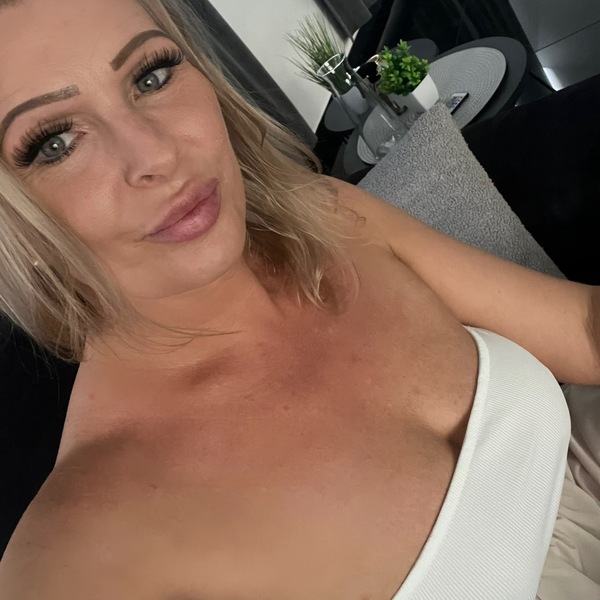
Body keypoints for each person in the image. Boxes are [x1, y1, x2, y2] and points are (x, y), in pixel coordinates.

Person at [0, 0, 598, 598]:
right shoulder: (77, 561)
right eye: (55, 143)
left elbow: (579, 328)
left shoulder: (328, 217)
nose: (158, 155)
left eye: (151, 76)